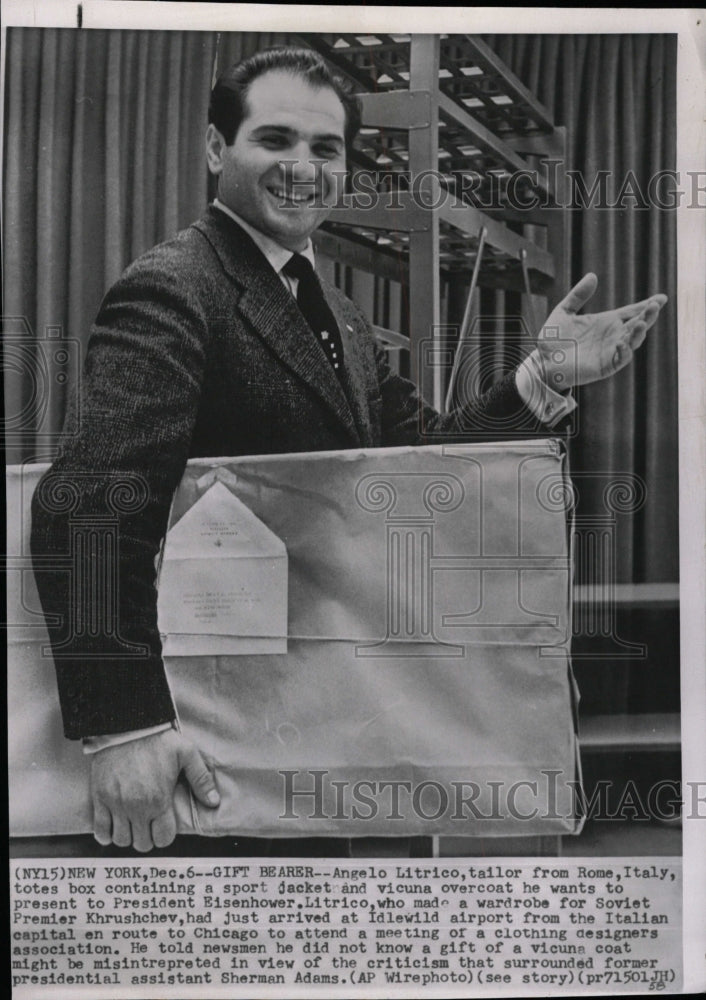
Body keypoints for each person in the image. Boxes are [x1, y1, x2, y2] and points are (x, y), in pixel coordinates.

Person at [30, 46, 666, 853]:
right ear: (217, 149)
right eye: (276, 140)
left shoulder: (335, 310)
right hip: (217, 755)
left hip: (322, 729)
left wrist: (542, 377)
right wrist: (125, 730)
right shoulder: (174, 287)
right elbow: (86, 505)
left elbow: (425, 464)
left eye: (326, 149)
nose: (303, 167)